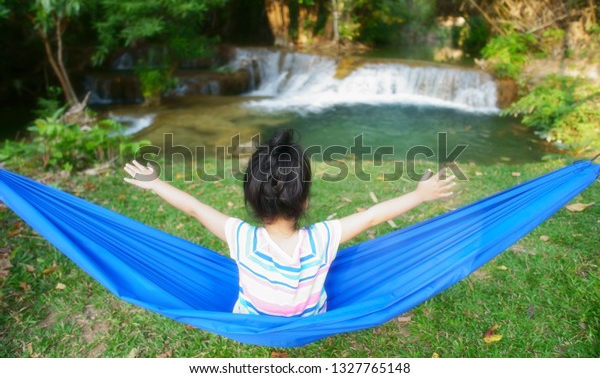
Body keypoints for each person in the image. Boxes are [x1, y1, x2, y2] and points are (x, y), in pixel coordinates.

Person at [123, 129, 456, 317]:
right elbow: (372, 216)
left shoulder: (241, 237)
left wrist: (155, 183)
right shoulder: (324, 237)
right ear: (305, 201)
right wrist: (418, 195)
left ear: (251, 201)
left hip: (251, 321)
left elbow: (194, 208)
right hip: (311, 321)